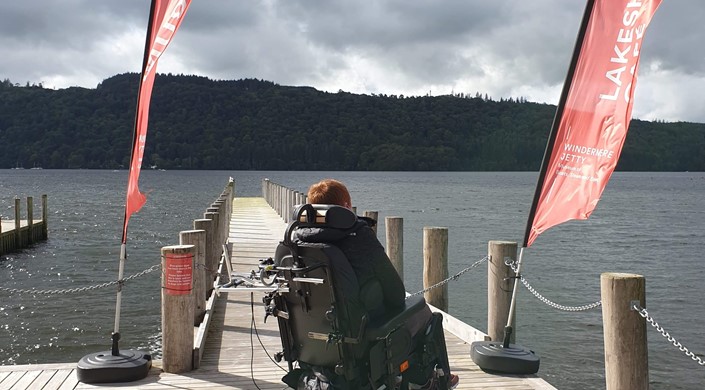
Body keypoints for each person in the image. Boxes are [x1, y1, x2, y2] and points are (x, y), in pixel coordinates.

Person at [294, 178, 459, 389]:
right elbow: (396, 293)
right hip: (362, 333)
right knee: (425, 313)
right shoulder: (358, 237)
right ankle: (436, 381)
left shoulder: (296, 241)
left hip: (313, 339)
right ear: (345, 206)